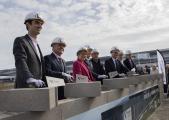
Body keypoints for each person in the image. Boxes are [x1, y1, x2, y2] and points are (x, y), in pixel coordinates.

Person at [13, 12, 47, 88]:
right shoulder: (21, 41)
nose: (40, 26)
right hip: (26, 87)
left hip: (39, 87)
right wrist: (29, 78)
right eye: (37, 23)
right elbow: (20, 61)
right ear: (28, 24)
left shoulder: (37, 45)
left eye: (41, 24)